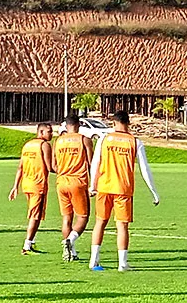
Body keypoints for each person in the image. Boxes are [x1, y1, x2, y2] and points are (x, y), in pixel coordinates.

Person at [87, 111, 159, 270]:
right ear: (129, 123)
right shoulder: (135, 142)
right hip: (123, 189)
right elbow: (144, 169)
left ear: (114, 123)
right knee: (122, 226)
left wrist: (93, 185)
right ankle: (122, 263)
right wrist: (153, 191)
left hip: (104, 187)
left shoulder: (104, 139)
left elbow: (95, 164)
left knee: (100, 223)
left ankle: (93, 260)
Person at [9, 123, 54, 254]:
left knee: (36, 215)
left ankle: (31, 242)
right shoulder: (44, 145)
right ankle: (26, 245)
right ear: (41, 132)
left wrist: (15, 186)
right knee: (35, 215)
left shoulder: (27, 145)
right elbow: (50, 167)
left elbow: (20, 167)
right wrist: (65, 170)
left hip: (27, 184)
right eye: (49, 132)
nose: (51, 134)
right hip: (37, 184)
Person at [53, 118, 93, 261]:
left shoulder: (58, 141)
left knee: (66, 217)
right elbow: (91, 164)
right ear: (78, 125)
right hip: (77, 182)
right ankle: (70, 239)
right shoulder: (84, 140)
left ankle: (70, 253)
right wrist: (93, 185)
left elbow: (54, 165)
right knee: (83, 217)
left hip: (61, 182)